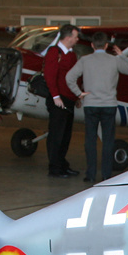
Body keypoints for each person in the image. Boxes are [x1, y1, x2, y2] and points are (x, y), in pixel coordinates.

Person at [64, 32, 128, 183]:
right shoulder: (114, 60)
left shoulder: (85, 60)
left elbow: (69, 77)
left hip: (90, 104)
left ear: (91, 45)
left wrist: (79, 93)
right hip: (109, 105)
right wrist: (122, 55)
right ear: (106, 45)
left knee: (90, 140)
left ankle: (90, 175)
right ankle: (106, 175)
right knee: (108, 141)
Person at [43, 24, 81, 178]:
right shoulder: (54, 52)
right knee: (56, 135)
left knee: (65, 135)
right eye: (75, 36)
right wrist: (55, 97)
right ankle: (54, 168)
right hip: (59, 100)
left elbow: (75, 76)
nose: (77, 39)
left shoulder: (72, 54)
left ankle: (62, 164)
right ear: (67, 38)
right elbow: (50, 76)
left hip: (69, 99)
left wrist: (77, 96)